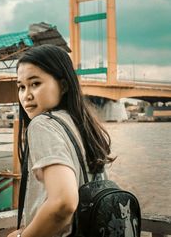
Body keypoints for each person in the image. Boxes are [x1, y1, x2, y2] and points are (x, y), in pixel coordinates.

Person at [7, 44, 114, 237]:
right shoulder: (81, 125)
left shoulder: (43, 124)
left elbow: (63, 203)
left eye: (35, 84)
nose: (26, 95)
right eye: (21, 87)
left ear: (63, 85)